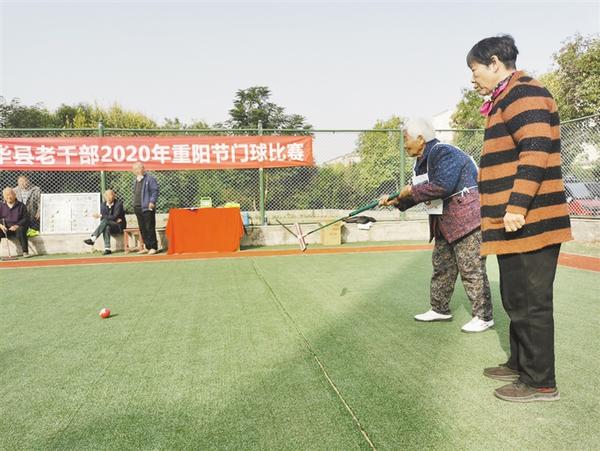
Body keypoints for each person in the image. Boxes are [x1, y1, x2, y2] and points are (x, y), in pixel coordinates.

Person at [467, 35, 572, 402]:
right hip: (515, 224)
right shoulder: (506, 95)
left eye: (475, 69)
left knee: (531, 302)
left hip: (530, 221)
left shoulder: (524, 92)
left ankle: (540, 381)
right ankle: (520, 363)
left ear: (495, 62)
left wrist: (517, 205)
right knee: (516, 298)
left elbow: (536, 148)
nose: (472, 78)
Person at [380, 117, 493, 333]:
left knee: (471, 269)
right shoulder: (420, 163)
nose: (404, 145)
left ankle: (484, 316)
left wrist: (410, 190)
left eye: (406, 139)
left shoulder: (443, 152)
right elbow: (423, 192)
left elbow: (442, 186)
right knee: (442, 267)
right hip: (444, 223)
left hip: (467, 221)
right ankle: (439, 309)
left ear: (420, 139)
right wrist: (397, 201)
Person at [83, 189, 127, 255]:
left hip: (119, 226)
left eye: (110, 195)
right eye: (106, 196)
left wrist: (103, 216)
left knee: (105, 221)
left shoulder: (118, 204)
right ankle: (107, 249)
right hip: (110, 225)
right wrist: (112, 218)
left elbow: (114, 216)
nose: (108, 197)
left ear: (114, 196)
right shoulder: (103, 205)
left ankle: (93, 238)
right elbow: (106, 219)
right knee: (106, 226)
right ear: (105, 197)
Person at [131, 162, 159, 255]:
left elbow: (155, 191)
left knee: (149, 227)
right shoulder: (135, 180)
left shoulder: (150, 179)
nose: (136, 171)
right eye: (134, 169)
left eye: (138, 168)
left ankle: (153, 247)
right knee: (142, 228)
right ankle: (147, 246)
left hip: (147, 207)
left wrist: (152, 202)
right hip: (137, 207)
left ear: (143, 169)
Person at [0, 187, 31, 258]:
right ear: (4, 196)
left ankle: (25, 252)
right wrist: (1, 226)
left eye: (10, 194)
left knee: (21, 229)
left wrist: (16, 225)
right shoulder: (1, 206)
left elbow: (26, 218)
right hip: (5, 229)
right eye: (6, 195)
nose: (9, 197)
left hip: (17, 228)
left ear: (14, 195)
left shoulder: (21, 205)